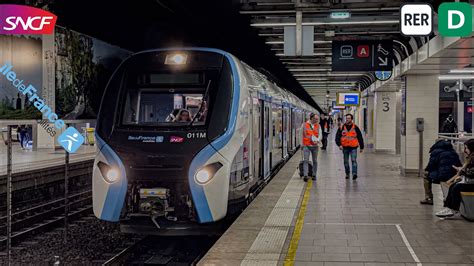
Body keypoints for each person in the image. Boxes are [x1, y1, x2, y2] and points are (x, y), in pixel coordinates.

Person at [436, 139, 474, 218]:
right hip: (471, 182)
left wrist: (461, 171)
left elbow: (471, 173)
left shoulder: (472, 159)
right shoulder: (471, 158)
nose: (465, 150)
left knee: (456, 187)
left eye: (466, 148)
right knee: (453, 186)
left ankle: (453, 209)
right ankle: (449, 208)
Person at [421, 139, 462, 205]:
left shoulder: (435, 152)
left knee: (426, 175)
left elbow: (431, 165)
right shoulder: (453, 152)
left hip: (442, 175)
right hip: (453, 174)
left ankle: (429, 198)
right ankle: (445, 198)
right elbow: (459, 164)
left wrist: (426, 169)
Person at [335, 114, 364, 180]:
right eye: (346, 118)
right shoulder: (342, 127)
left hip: (353, 147)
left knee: (353, 160)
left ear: (351, 119)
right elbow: (337, 137)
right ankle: (347, 173)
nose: (347, 119)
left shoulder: (355, 127)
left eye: (348, 118)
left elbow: (360, 137)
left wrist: (361, 147)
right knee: (346, 162)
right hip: (345, 147)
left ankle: (354, 174)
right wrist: (339, 145)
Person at [302, 113, 322, 182]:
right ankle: (305, 175)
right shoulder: (304, 125)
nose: (317, 120)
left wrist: (318, 140)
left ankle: (314, 174)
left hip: (315, 146)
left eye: (317, 119)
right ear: (311, 118)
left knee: (315, 161)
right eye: (316, 119)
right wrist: (301, 144)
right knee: (306, 160)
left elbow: (320, 134)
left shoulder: (318, 125)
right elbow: (300, 135)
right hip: (306, 145)